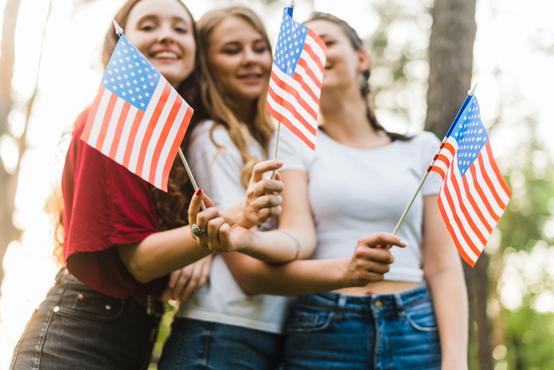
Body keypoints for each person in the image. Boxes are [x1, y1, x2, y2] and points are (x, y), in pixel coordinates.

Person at [9, 1, 283, 369]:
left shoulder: (179, 138)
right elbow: (139, 261)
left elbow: (177, 244)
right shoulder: (110, 123)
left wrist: (201, 246)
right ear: (120, 45)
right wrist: (230, 221)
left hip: (135, 333)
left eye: (179, 28)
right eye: (149, 26)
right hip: (78, 338)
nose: (166, 35)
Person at [158, 5, 406, 370]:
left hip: (268, 331)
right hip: (219, 329)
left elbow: (295, 234)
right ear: (207, 65)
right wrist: (344, 272)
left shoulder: (272, 140)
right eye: (231, 50)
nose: (251, 60)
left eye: (260, 48)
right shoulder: (214, 138)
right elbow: (243, 265)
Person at [223, 12, 469, 370]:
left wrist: (455, 360)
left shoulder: (424, 147)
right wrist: (246, 240)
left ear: (362, 58)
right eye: (303, 50)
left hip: (415, 328)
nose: (313, 54)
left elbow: (443, 265)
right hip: (324, 325)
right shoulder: (292, 141)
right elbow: (297, 236)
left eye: (326, 42)